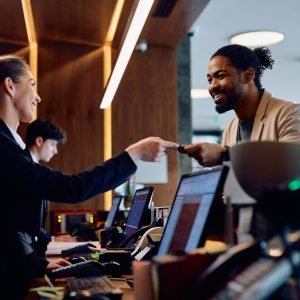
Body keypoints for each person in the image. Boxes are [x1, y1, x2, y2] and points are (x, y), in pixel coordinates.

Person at [0, 54, 178, 298]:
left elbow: (11, 222)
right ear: (10, 86)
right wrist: (132, 156)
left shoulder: (10, 143)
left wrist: (40, 265)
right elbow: (72, 188)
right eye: (32, 84)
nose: (38, 96)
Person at [181, 44, 300, 166]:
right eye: (210, 80)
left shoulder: (289, 113)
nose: (213, 86)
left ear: (248, 76)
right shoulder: (230, 128)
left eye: (221, 76)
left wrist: (225, 155)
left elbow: (292, 163)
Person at [25, 118, 77, 257]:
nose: (55, 151)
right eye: (53, 144)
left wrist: (51, 239)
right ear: (39, 141)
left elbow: (33, 225)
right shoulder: (26, 169)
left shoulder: (34, 167)